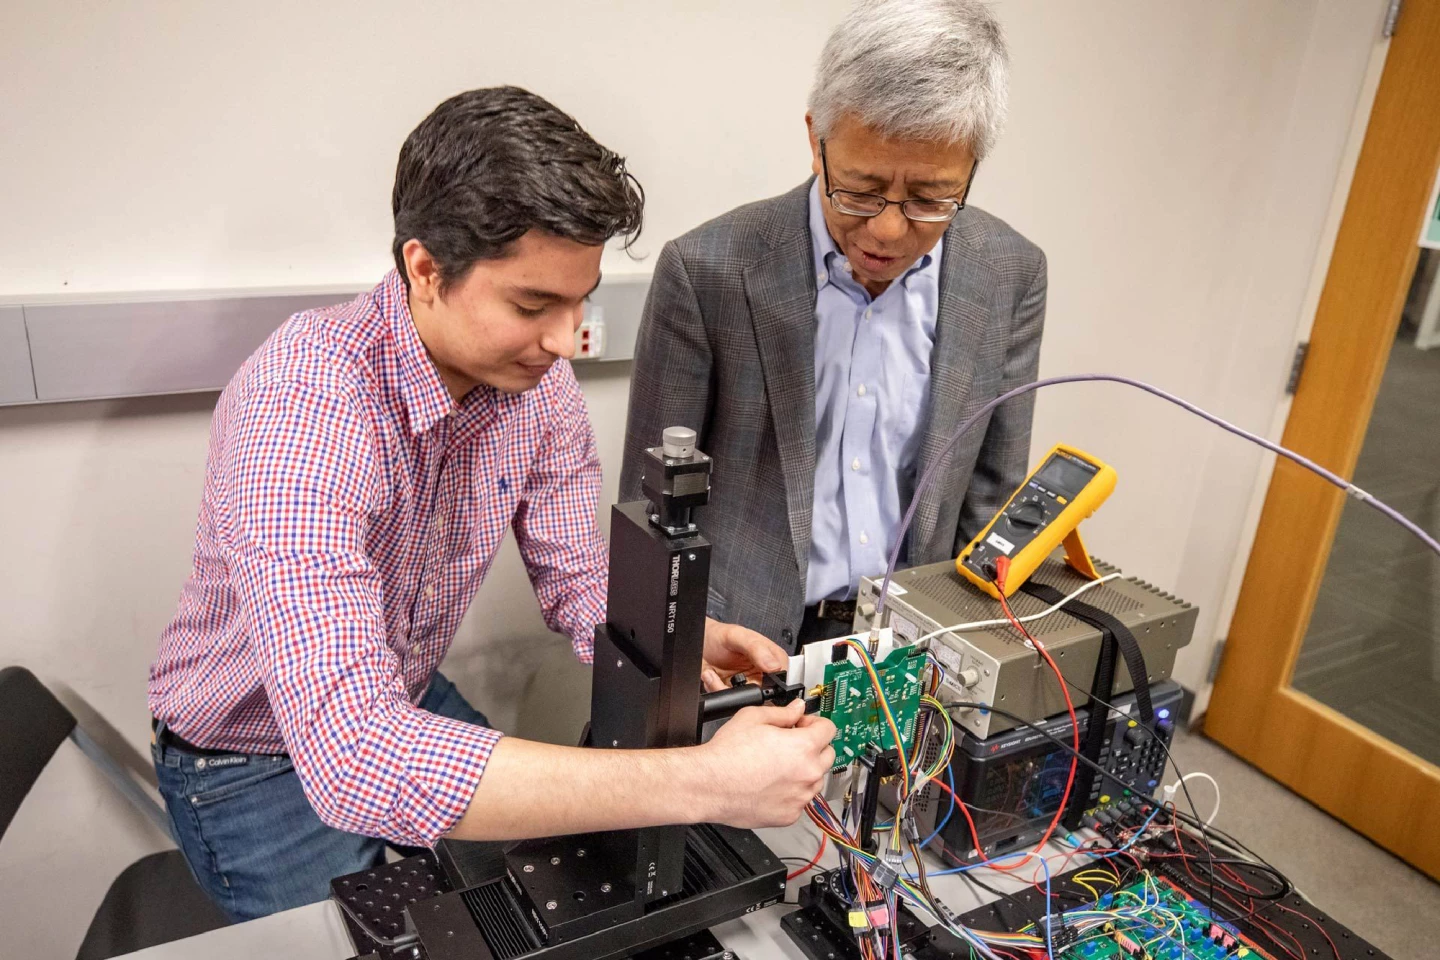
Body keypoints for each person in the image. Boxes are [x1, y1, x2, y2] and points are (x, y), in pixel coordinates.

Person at [148, 86, 836, 922]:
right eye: (533, 305)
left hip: (395, 690)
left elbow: (580, 586)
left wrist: (678, 641)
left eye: (579, 300)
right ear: (425, 268)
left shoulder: (533, 388)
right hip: (250, 760)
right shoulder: (303, 411)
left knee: (517, 903)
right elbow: (358, 757)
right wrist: (699, 784)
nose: (564, 339)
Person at [621, 0, 1046, 652]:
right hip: (738, 643)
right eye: (861, 188)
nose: (888, 230)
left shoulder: (1009, 275)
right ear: (815, 138)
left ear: (973, 167)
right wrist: (681, 646)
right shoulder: (709, 272)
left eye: (930, 199)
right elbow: (652, 517)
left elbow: (991, 504)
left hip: (907, 641)